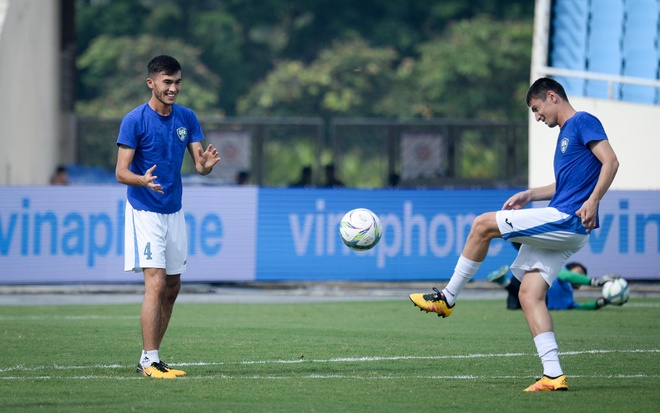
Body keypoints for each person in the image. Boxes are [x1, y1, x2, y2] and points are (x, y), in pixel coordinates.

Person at [409, 77, 619, 392]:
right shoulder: (566, 135)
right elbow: (563, 188)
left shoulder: (583, 121)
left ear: (552, 96)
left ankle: (447, 297)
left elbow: (611, 161)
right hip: (567, 222)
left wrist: (594, 200)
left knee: (482, 224)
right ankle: (553, 375)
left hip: (568, 220)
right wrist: (530, 194)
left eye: (537, 109)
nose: (537, 117)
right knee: (529, 293)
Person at [115, 55, 220, 379]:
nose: (173, 88)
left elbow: (199, 164)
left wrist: (205, 166)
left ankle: (151, 358)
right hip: (145, 209)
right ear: (151, 83)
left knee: (173, 286)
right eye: (167, 82)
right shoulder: (134, 120)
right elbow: (120, 172)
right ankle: (149, 360)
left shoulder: (187, 118)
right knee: (156, 282)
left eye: (177, 82)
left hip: (174, 210)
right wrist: (141, 179)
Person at [487, 261, 625, 310]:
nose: (580, 278)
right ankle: (505, 282)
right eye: (580, 274)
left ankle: (503, 282)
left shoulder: (569, 297)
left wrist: (601, 302)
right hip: (533, 291)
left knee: (523, 299)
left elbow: (579, 308)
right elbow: (565, 275)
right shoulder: (560, 269)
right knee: (531, 290)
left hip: (525, 304)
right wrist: (595, 282)